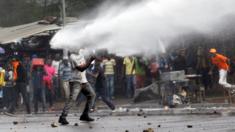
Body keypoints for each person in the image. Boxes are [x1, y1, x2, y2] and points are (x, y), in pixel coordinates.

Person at [58, 51, 96, 125]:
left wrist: (92, 56)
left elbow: (88, 59)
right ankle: (62, 117)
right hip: (76, 81)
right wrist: (90, 60)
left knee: (92, 95)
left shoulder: (82, 53)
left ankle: (85, 115)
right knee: (72, 99)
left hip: (84, 81)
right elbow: (81, 68)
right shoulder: (72, 57)